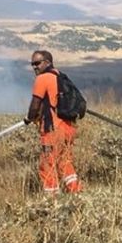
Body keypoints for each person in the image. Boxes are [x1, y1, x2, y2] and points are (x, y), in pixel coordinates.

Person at [25, 50, 82, 193]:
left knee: (47, 165)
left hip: (52, 130)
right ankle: (76, 193)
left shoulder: (42, 79)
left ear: (47, 62)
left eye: (37, 63)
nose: (34, 67)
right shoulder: (60, 76)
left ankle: (51, 201)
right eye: (32, 64)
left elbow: (35, 105)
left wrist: (29, 118)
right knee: (65, 162)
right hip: (68, 128)